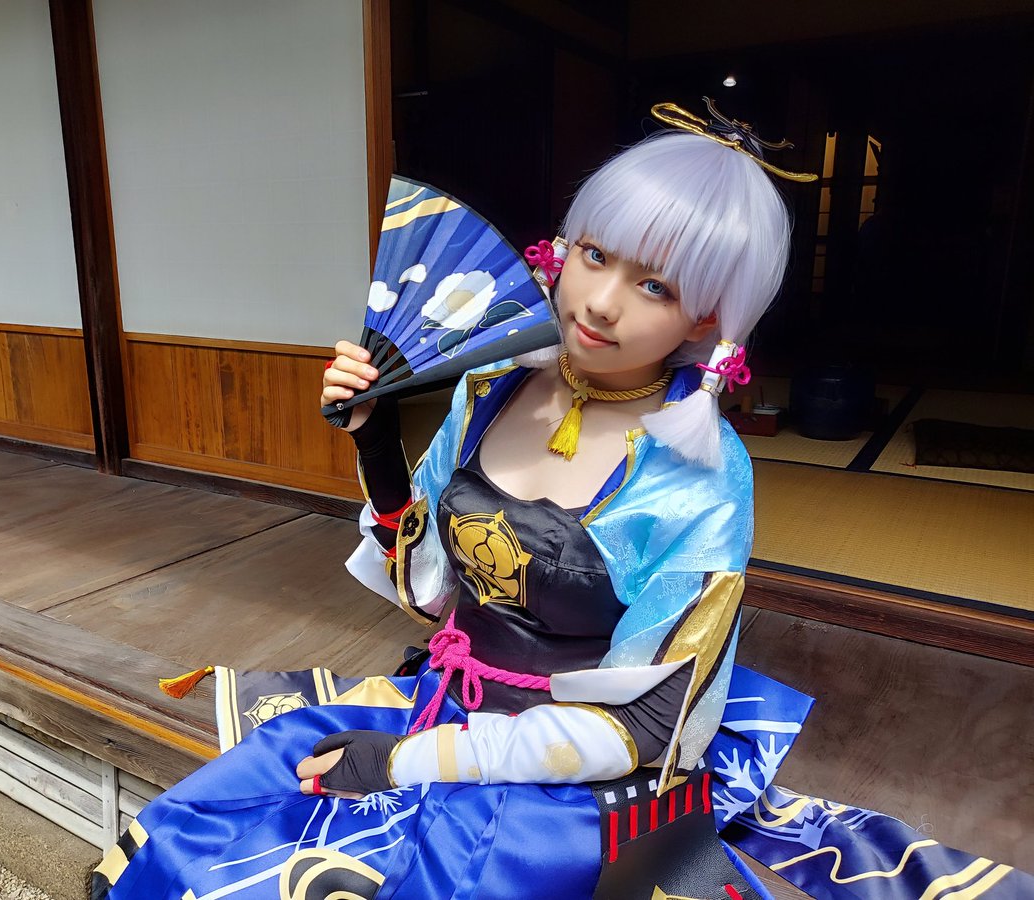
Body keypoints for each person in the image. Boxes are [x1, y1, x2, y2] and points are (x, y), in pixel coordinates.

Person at [92, 108, 1032, 900]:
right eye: (594, 253)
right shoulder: (490, 387)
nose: (601, 302)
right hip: (440, 702)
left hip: (571, 769)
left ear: (709, 317)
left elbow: (644, 726)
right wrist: (374, 440)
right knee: (204, 832)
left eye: (655, 284)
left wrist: (408, 763)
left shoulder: (702, 478)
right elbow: (429, 592)